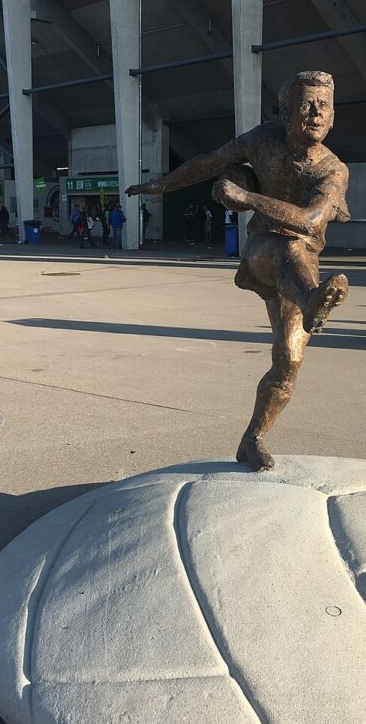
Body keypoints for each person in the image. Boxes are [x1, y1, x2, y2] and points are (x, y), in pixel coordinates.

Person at [127, 69, 350, 471]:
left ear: (334, 117)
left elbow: (312, 222)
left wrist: (245, 196)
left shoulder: (333, 170)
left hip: (303, 264)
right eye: (306, 105)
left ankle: (253, 439)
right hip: (264, 251)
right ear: (284, 113)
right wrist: (159, 186)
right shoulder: (262, 140)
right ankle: (312, 298)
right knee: (288, 247)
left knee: (288, 361)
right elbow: (208, 163)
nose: (316, 113)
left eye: (324, 106)